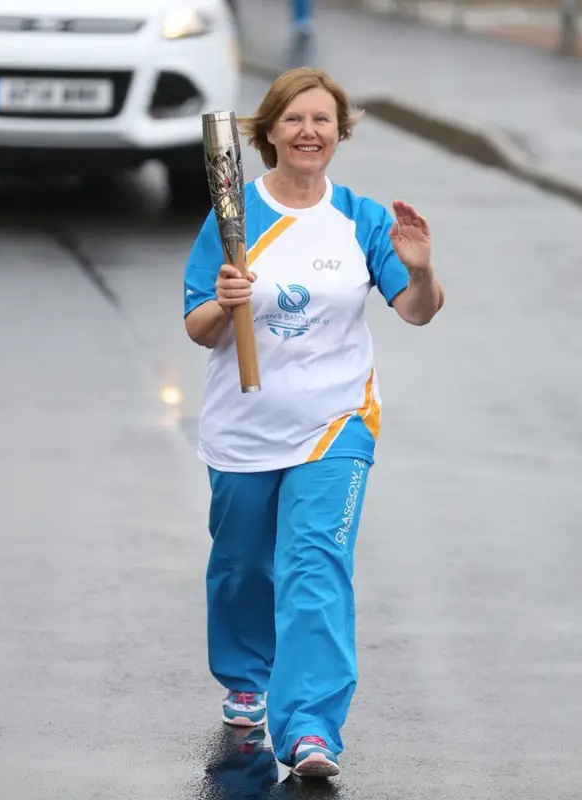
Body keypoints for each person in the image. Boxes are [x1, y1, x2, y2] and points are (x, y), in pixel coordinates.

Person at [183, 66, 445, 779]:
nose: (309, 132)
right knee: (242, 565)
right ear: (268, 132)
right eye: (295, 119)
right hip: (243, 427)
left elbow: (417, 310)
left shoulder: (359, 218)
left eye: (323, 120)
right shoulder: (235, 218)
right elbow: (198, 325)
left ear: (338, 133)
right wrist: (224, 299)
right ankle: (246, 675)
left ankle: (310, 731)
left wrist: (419, 271)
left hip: (336, 423)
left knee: (316, 565)